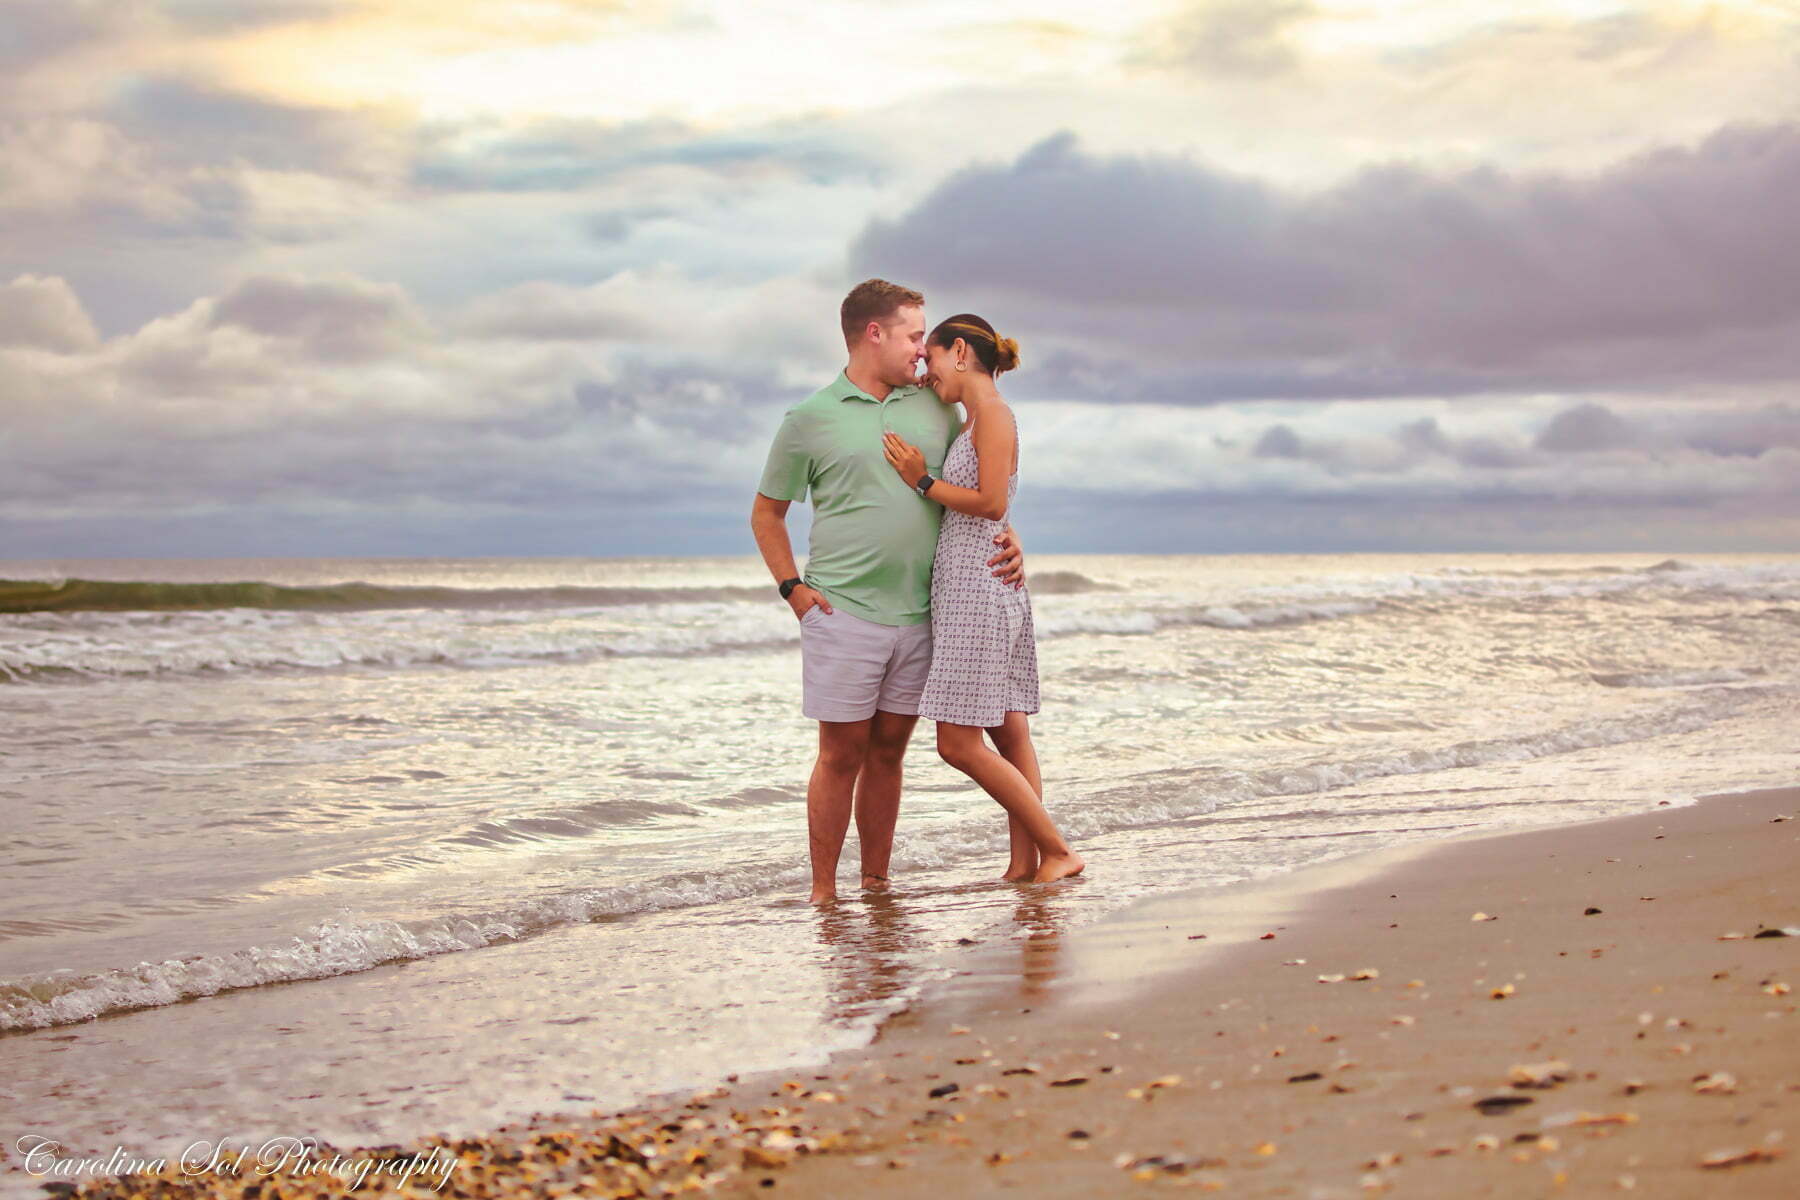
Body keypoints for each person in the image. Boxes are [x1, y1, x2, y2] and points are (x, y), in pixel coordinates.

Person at [750, 279, 1026, 904]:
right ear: (873, 334)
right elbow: (766, 513)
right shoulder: (809, 418)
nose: (920, 353)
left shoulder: (936, 405)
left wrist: (1011, 536)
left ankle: (876, 882)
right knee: (840, 753)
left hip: (926, 611)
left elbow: (979, 482)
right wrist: (793, 589)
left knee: (890, 753)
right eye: (910, 336)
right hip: (842, 611)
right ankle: (824, 891)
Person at [881, 314, 1084, 884]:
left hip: (977, 591)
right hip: (981, 585)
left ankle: (1058, 850)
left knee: (956, 743)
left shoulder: (993, 415)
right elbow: (995, 506)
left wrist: (921, 480)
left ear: (962, 352)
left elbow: (992, 502)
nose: (927, 367)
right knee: (1010, 734)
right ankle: (1025, 863)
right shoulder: (978, 417)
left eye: (934, 357)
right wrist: (927, 387)